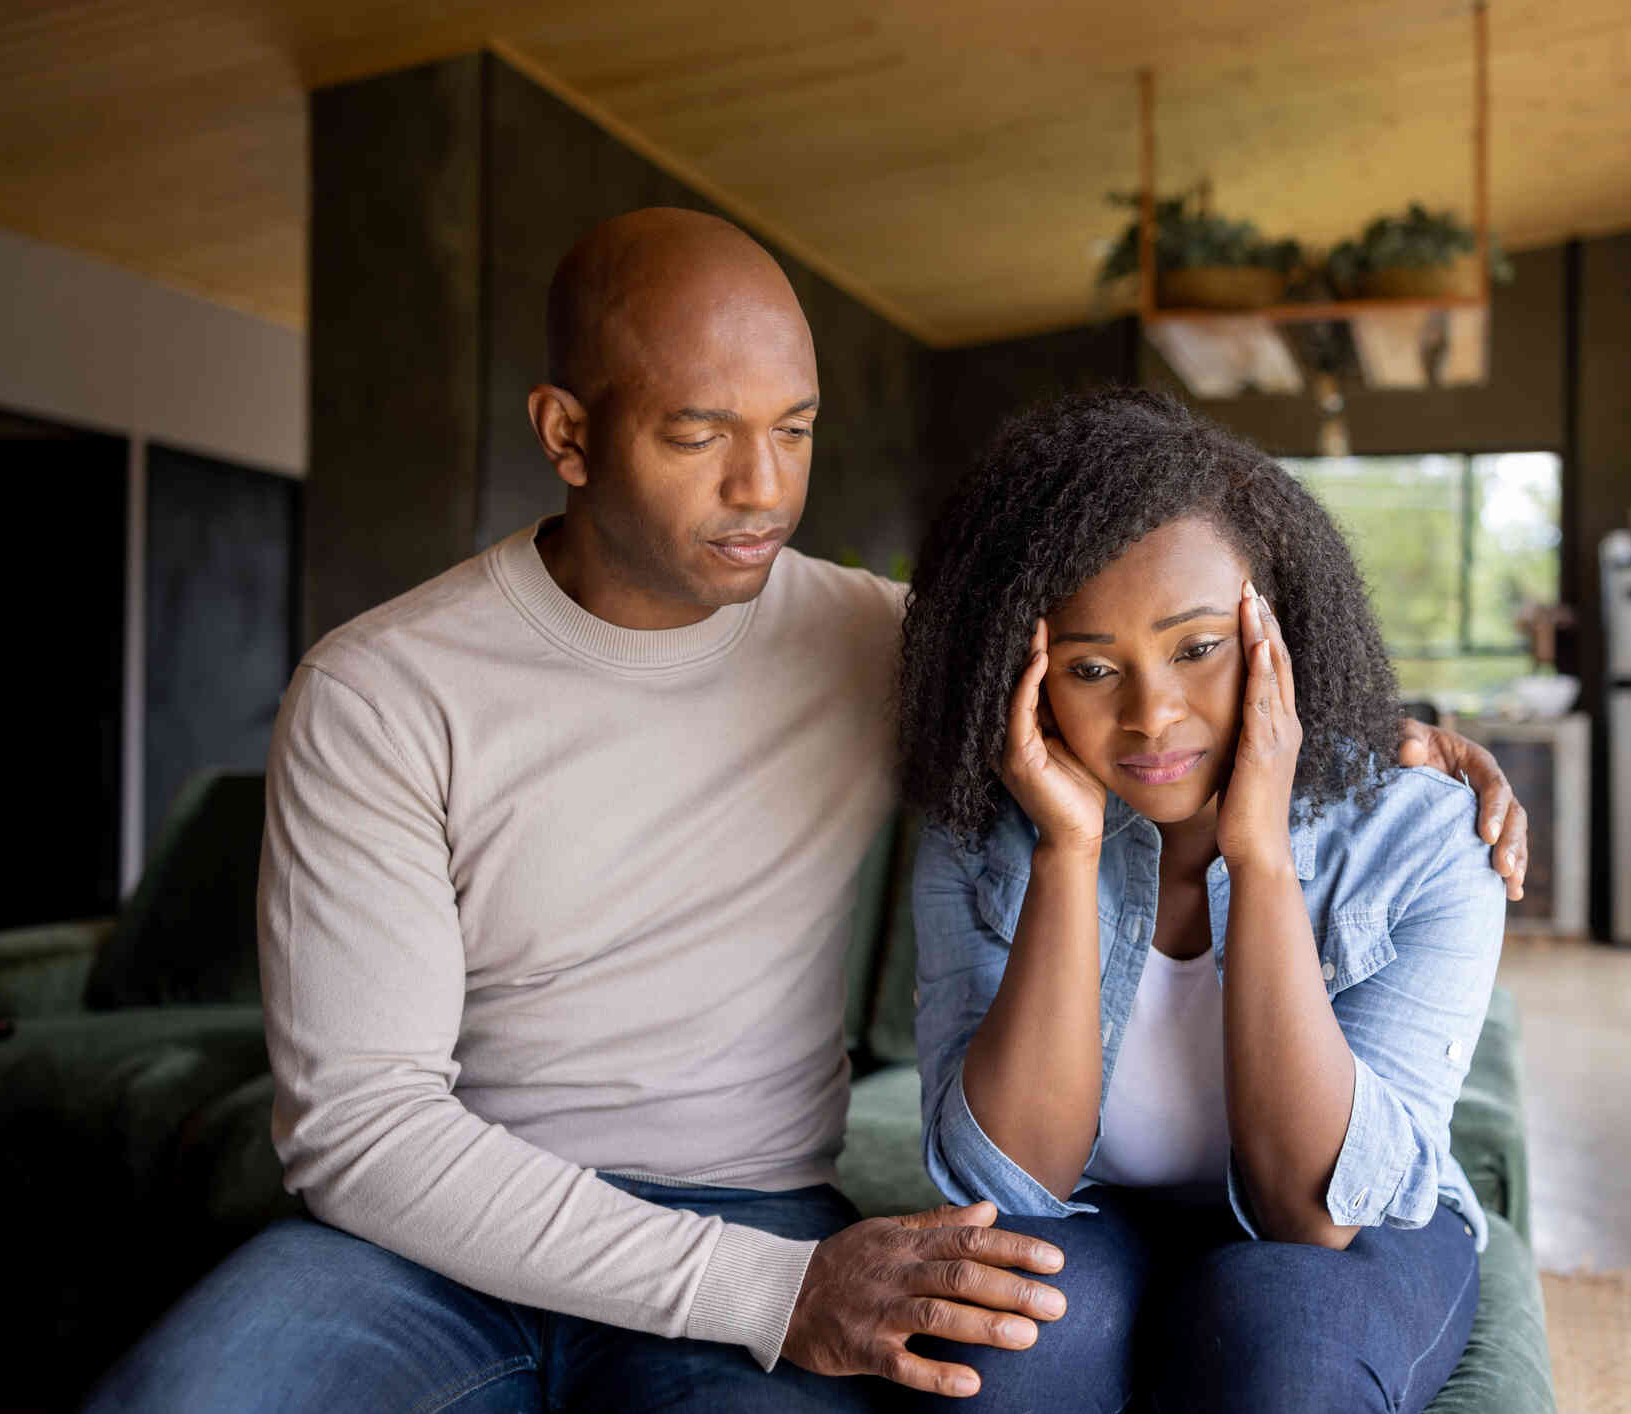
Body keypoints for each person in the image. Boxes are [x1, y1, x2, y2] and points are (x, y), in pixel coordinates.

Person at [87, 210, 1524, 1412]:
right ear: (569, 433)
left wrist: (1383, 736)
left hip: (751, 1200)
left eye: (794, 428)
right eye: (700, 432)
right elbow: (363, 1132)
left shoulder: (882, 643)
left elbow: (1132, 674)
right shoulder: (383, 688)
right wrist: (777, 1295)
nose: (762, 488)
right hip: (420, 1252)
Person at [896, 389, 1507, 1413]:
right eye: (1091, 668)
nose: (1151, 715)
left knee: (1288, 1345)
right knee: (992, 1358)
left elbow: (1314, 1214)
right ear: (1029, 675)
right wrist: (1066, 848)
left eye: (1195, 647)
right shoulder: (978, 835)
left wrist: (1259, 857)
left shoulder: (1424, 838)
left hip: (1352, 1234)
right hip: (1099, 1216)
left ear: (1277, 629)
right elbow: (1009, 1192)